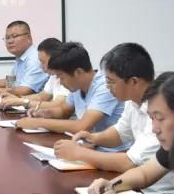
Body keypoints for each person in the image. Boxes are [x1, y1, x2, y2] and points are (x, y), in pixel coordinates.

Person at [51, 42, 159, 172]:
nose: (108, 87)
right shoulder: (132, 101)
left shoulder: (159, 111)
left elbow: (129, 163)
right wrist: (93, 138)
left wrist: (78, 153)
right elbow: (120, 132)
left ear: (133, 82)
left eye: (111, 82)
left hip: (158, 184)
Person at [15, 41, 124, 136]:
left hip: (110, 150)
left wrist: (38, 123)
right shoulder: (77, 86)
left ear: (78, 72)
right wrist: (45, 113)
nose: (61, 82)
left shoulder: (106, 87)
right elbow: (64, 111)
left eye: (61, 77)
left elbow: (83, 126)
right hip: (89, 144)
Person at [0, 20, 48, 98]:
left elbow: (25, 91)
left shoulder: (35, 59)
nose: (10, 41)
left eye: (15, 36)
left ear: (29, 37)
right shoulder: (21, 57)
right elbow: (11, 82)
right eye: (7, 38)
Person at [0, 37, 70, 111]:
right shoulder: (19, 60)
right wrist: (17, 99)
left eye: (43, 62)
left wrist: (22, 102)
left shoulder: (67, 75)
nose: (9, 41)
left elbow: (58, 105)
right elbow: (42, 96)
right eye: (7, 37)